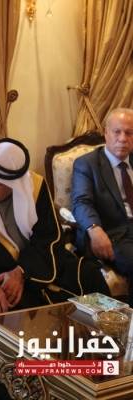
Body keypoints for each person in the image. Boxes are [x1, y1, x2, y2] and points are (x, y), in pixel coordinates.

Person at [0, 137, 108, 314]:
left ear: (15, 185)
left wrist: (21, 271)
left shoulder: (35, 189)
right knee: (18, 305)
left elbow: (50, 238)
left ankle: (106, 330)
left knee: (91, 275)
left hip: (38, 265)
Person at [72, 108, 133, 303]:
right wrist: (94, 229)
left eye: (129, 133)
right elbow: (81, 202)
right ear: (106, 133)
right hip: (112, 234)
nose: (123, 139)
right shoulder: (87, 164)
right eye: (117, 132)